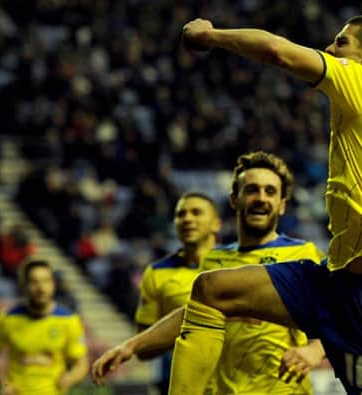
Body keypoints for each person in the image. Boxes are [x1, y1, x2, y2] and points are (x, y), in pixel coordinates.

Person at [159, 14, 362, 395]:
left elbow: (278, 51)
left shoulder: (361, 81)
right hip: (332, 282)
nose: (330, 49)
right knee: (211, 291)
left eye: (341, 43)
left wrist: (211, 35)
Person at [92, 151, 326, 394]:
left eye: (270, 191)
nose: (261, 198)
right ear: (235, 199)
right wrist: (131, 346)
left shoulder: (303, 254)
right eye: (252, 190)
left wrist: (315, 350)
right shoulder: (215, 260)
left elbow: (345, 310)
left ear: (282, 205)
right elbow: (191, 316)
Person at [136, 192, 222, 394]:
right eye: (181, 214)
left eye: (196, 212)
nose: (188, 219)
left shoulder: (239, 268)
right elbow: (142, 348)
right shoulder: (157, 273)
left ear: (216, 224)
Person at [0, 257, 89, 395]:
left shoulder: (69, 319)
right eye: (34, 282)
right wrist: (3, 383)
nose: (41, 288)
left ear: (53, 284)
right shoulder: (7, 318)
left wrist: (69, 378)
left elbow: (81, 363)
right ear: (24, 285)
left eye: (46, 281)